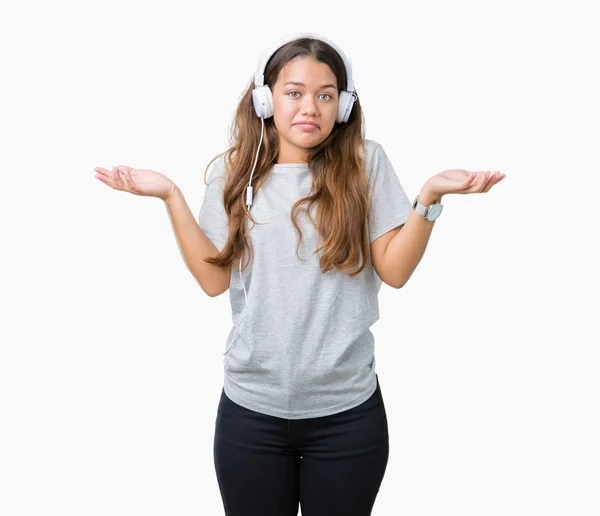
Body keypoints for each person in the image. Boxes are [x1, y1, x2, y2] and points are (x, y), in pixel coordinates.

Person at [94, 32, 505, 516]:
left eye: (325, 94)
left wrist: (429, 198)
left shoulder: (363, 163)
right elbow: (213, 280)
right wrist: (170, 196)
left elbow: (394, 271)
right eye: (294, 92)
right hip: (251, 412)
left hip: (347, 415)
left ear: (343, 105)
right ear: (266, 100)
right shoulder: (234, 174)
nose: (310, 106)